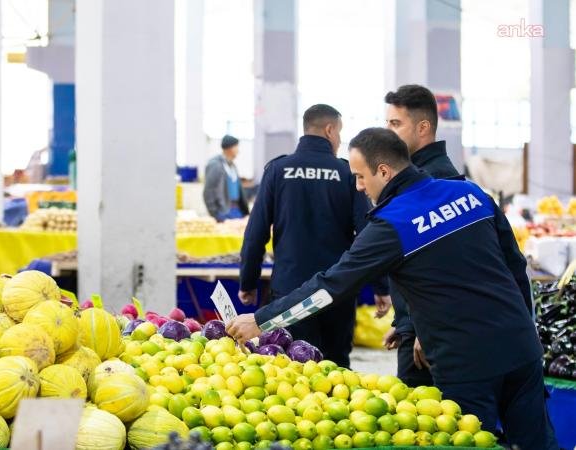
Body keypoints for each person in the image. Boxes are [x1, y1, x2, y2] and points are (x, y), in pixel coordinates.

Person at [227, 128, 558, 449]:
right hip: (520, 348)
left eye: (359, 176)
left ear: (383, 171)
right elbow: (516, 270)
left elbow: (330, 287)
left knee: (471, 442)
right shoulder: (471, 194)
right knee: (535, 443)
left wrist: (262, 320)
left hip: (466, 363)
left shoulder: (392, 224)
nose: (357, 186)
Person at [238, 104, 388, 368]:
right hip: (336, 292)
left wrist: (247, 282)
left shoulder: (278, 170)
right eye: (339, 133)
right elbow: (367, 232)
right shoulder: (345, 173)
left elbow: (256, 232)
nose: (340, 140)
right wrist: (381, 287)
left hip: (289, 292)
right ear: (329, 130)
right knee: (336, 368)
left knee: (292, 369)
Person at [381, 84, 461, 387]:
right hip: (416, 328)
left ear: (423, 127)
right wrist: (403, 323)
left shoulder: (437, 181)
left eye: (396, 124)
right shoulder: (416, 175)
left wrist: (423, 330)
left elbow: (446, 266)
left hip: (430, 336)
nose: (388, 132)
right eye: (387, 123)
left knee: (428, 425)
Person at [203, 135, 249, 221]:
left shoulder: (233, 166)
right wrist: (215, 213)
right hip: (223, 211)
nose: (238, 151)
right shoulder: (215, 165)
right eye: (236, 147)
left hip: (236, 210)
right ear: (230, 148)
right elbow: (208, 191)